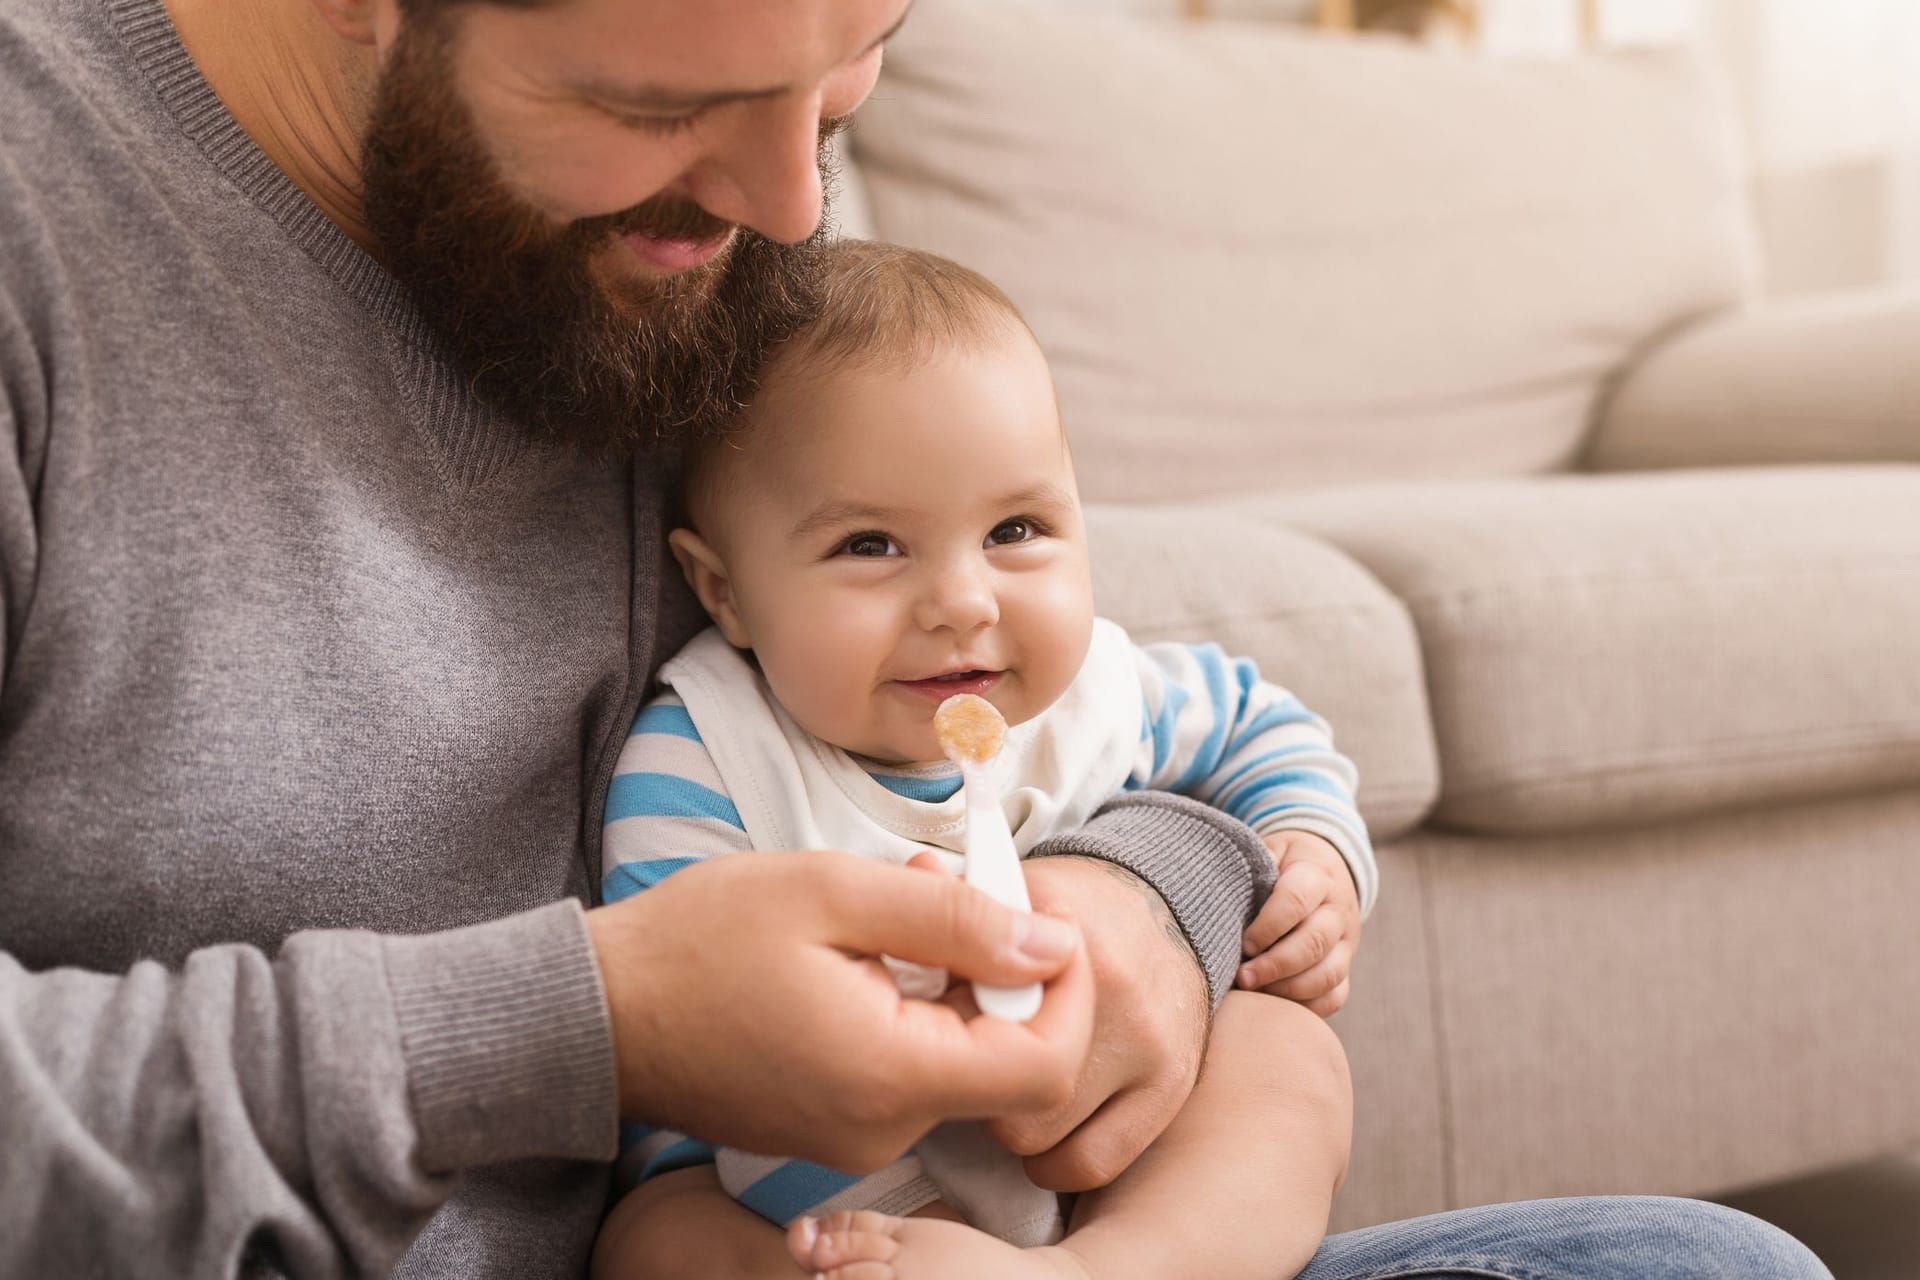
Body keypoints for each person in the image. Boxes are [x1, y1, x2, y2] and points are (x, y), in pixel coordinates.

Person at [0, 0, 1834, 1275]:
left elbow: (1041, 705)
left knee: (1710, 1262)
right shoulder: (42, 235)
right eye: (658, 112)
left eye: (853, 91)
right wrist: (598, 1027)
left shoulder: (734, 200)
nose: (790, 211)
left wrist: (1151, 891)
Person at [592, 241, 1372, 1280]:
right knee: (658, 1234)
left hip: (1113, 1168)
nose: (964, 602)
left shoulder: (1098, 689)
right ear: (725, 589)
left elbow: (1259, 726)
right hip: (811, 1182)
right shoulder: (705, 759)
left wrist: (1313, 849)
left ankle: (1108, 1269)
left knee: (1288, 1053)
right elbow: (693, 1056)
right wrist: (892, 1221)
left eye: (1015, 528)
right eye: (871, 544)